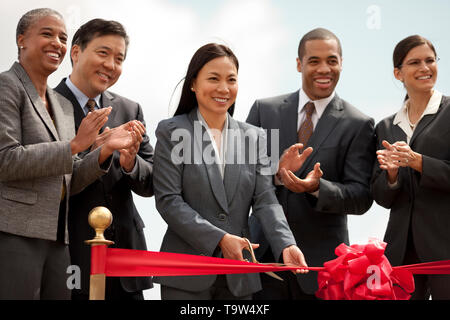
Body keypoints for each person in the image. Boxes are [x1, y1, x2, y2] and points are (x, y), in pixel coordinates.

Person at [0, 8, 138, 300]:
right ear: (21, 39)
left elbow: (68, 178)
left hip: (58, 241)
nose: (57, 43)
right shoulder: (6, 87)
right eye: (47, 34)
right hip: (14, 235)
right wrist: (75, 145)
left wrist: (103, 150)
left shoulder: (59, 106)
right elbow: (6, 160)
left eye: (62, 37)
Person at [153, 43, 308, 300]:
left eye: (231, 79)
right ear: (193, 84)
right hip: (186, 276)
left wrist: (286, 244)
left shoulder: (254, 137)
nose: (224, 88)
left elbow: (265, 200)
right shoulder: (172, 131)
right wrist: (219, 239)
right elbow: (169, 201)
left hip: (240, 276)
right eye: (213, 78)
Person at [246, 28, 375, 299]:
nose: (324, 69)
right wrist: (277, 176)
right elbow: (240, 179)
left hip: (322, 267)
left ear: (341, 63)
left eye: (332, 60)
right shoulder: (263, 110)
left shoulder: (358, 123)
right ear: (298, 64)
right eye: (314, 61)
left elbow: (361, 197)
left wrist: (317, 188)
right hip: (262, 259)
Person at [54, 19, 154, 300]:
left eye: (119, 58)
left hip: (125, 256)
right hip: (71, 254)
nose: (111, 64)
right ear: (76, 52)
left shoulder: (129, 108)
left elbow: (153, 181)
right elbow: (50, 179)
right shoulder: (46, 105)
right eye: (103, 53)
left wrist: (130, 163)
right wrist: (100, 151)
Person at [372, 35, 450, 300]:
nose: (425, 68)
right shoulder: (385, 127)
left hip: (445, 249)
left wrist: (418, 162)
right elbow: (382, 197)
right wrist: (391, 176)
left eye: (430, 60)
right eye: (415, 62)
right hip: (402, 251)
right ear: (398, 73)